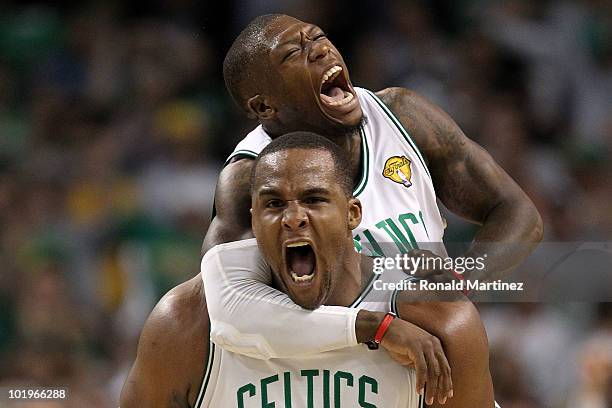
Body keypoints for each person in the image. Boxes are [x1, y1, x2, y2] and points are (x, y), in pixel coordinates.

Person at [198, 12, 541, 386]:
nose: (320, 51)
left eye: (318, 37)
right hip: (334, 379)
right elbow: (228, 308)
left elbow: (517, 212)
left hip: (435, 373)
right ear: (265, 108)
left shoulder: (402, 116)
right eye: (294, 53)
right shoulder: (250, 179)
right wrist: (376, 327)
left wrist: (462, 278)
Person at [120, 133, 494, 407]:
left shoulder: (439, 322)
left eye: (313, 199)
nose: (294, 218)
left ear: (353, 214)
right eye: (274, 203)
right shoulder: (185, 324)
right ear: (253, 217)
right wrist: (378, 327)